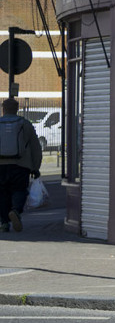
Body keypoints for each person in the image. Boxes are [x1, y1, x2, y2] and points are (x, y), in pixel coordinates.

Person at [0, 98, 43, 233]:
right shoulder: (25, 124)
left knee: (2, 194)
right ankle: (16, 211)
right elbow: (35, 147)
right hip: (21, 165)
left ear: (3, 108)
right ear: (17, 108)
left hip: (0, 165)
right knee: (19, 190)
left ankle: (4, 223)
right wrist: (35, 167)